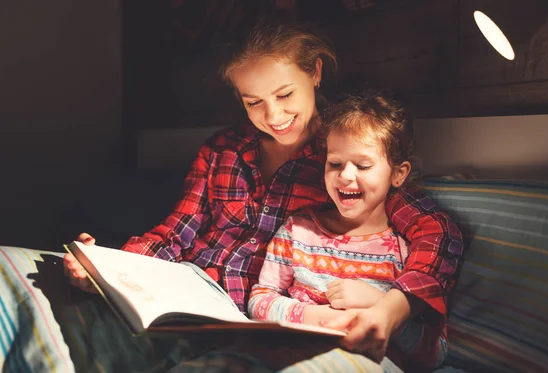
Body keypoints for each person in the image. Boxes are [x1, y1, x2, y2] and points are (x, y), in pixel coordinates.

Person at [62, 20, 463, 371]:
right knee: (81, 324)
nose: (272, 116)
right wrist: (109, 265)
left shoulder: (344, 156)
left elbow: (438, 233)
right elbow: (175, 233)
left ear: (315, 73)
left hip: (246, 315)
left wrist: (392, 307)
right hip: (188, 288)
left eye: (285, 95)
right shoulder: (223, 149)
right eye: (254, 102)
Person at [248, 92, 449, 371]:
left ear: (398, 174)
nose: (345, 176)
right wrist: (311, 315)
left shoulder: (406, 254)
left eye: (363, 165)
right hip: (296, 356)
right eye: (335, 164)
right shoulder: (298, 231)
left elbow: (434, 353)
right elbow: (259, 299)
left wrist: (378, 304)